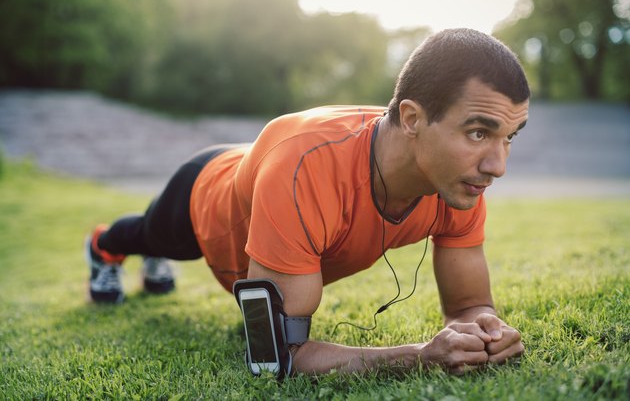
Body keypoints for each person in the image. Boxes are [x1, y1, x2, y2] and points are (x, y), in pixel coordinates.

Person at [85, 28, 530, 375]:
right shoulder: (304, 170)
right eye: (478, 132)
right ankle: (104, 246)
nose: (497, 165)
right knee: (151, 236)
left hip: (269, 168)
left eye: (508, 137)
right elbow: (275, 356)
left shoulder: (459, 178)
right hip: (205, 191)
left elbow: (469, 305)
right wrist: (418, 355)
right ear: (412, 118)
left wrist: (483, 329)